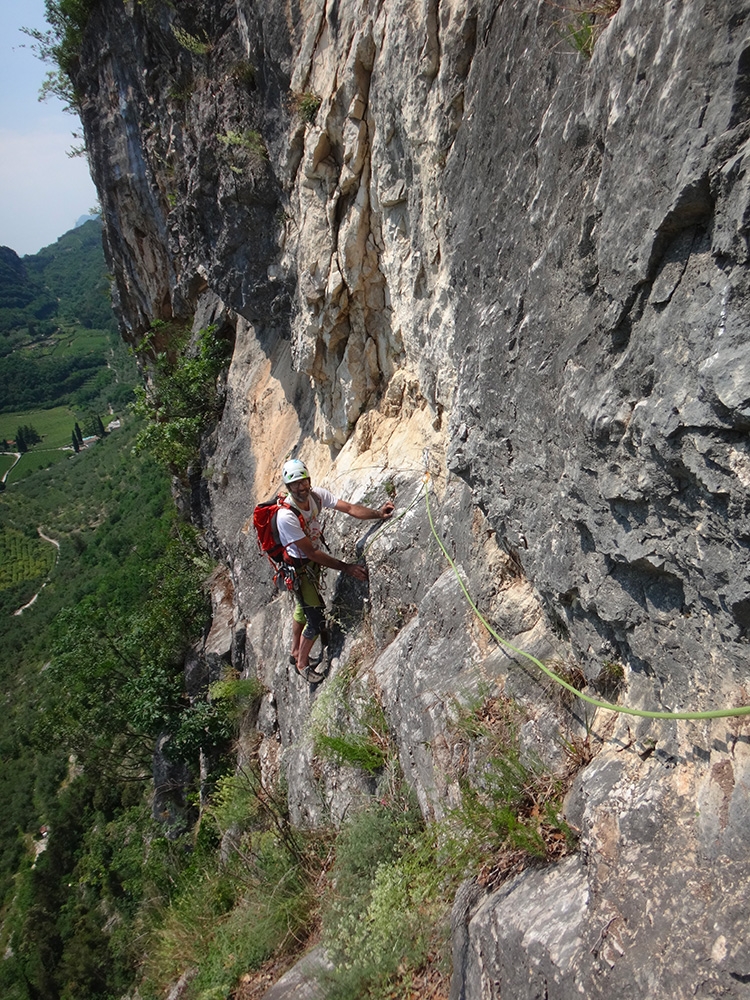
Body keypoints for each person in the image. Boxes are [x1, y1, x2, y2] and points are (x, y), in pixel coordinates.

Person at [276, 459, 394, 678]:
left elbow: (349, 508)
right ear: (288, 488)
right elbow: (310, 553)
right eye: (295, 485)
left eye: (303, 482)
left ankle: (295, 650)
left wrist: (378, 514)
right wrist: (346, 567)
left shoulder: (317, 496)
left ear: (309, 480)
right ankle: (301, 665)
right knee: (316, 618)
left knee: (303, 607)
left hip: (309, 562)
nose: (301, 488)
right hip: (299, 565)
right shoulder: (286, 516)